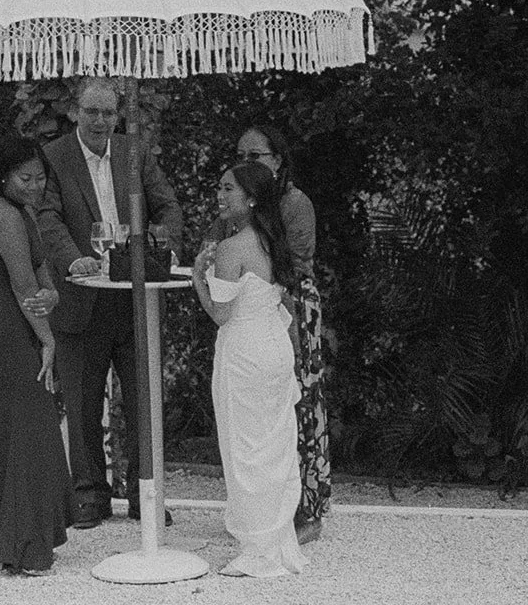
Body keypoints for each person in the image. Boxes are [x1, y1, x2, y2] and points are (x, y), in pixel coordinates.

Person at [37, 76, 183, 528]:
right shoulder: (54, 157)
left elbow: (168, 207)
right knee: (80, 401)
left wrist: (162, 236)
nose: (100, 120)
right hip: (82, 299)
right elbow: (46, 216)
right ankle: (88, 497)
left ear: (118, 115)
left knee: (143, 398)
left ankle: (146, 496)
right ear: (76, 112)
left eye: (108, 112)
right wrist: (72, 258)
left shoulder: (133, 151)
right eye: (92, 111)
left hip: (135, 298)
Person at [0, 137, 75, 574]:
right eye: (25, 178)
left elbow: (42, 278)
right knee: (25, 433)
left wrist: (53, 295)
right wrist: (49, 338)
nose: (34, 185)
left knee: (27, 432)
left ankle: (10, 541)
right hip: (5, 333)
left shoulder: (23, 213)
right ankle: (20, 548)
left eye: (40, 177)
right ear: (4, 177)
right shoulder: (1, 214)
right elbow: (22, 286)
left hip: (19, 326)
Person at [191, 161, 305, 579]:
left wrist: (198, 279)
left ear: (251, 198)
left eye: (228, 190)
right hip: (274, 347)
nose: (219, 196)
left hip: (244, 349)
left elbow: (221, 314)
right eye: (219, 188)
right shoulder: (274, 241)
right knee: (273, 445)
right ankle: (275, 538)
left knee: (244, 448)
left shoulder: (230, 248)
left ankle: (258, 547)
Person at [236, 121, 328, 544]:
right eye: (241, 157)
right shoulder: (245, 204)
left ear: (278, 160)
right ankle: (268, 506)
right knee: (263, 412)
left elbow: (295, 264)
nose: (246, 163)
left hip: (292, 307)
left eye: (255, 156)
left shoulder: (294, 203)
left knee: (299, 403)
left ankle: (306, 511)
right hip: (254, 310)